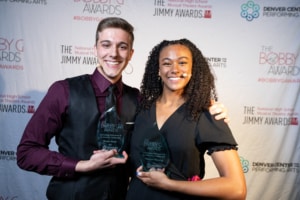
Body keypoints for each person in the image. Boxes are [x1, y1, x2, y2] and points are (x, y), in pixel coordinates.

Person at [16, 17, 229, 200]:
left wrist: (208, 107)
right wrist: (81, 165)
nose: (114, 54)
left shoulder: (139, 101)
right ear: (96, 49)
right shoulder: (63, 90)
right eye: (106, 45)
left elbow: (159, 132)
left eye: (122, 47)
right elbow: (26, 153)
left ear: (131, 53)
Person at [126, 39, 247, 200]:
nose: (175, 69)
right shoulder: (141, 110)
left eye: (182, 63)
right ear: (158, 70)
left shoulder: (206, 113)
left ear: (192, 69)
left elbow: (236, 189)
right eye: (167, 63)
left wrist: (168, 184)